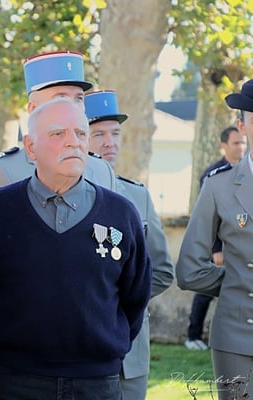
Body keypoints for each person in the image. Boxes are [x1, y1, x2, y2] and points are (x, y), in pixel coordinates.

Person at [0, 97, 152, 400]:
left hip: (97, 385)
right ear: (31, 147)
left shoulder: (121, 214)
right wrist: (6, 357)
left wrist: (102, 352)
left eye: (81, 133)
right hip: (15, 384)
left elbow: (135, 298)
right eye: (58, 133)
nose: (73, 142)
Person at [85, 90, 174, 400]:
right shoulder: (60, 196)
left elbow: (162, 272)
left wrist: (119, 303)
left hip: (129, 353)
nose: (110, 142)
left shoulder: (138, 196)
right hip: (75, 349)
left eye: (115, 133)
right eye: (98, 134)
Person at [176, 79, 253, 400]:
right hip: (237, 338)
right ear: (241, 126)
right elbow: (189, 270)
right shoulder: (217, 186)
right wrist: (238, 284)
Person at [0, 51, 117, 215]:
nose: (71, 106)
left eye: (79, 98)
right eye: (60, 98)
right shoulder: (3, 171)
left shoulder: (102, 170)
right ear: (33, 108)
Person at [184, 124, 247, 351]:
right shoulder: (213, 176)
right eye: (236, 143)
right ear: (223, 145)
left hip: (243, 247)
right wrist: (216, 250)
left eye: (243, 143)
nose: (241, 147)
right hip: (221, 247)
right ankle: (193, 336)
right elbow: (209, 218)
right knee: (206, 292)